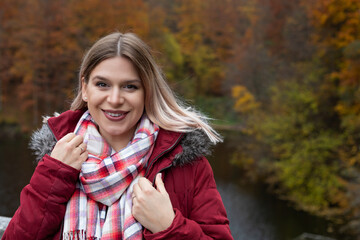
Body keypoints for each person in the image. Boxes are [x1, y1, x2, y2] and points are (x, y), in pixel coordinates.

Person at [2, 32, 233, 240]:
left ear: (147, 91)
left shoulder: (186, 163)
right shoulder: (60, 154)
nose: (114, 99)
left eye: (130, 87)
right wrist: (54, 175)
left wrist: (169, 227)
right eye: (102, 84)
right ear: (85, 88)